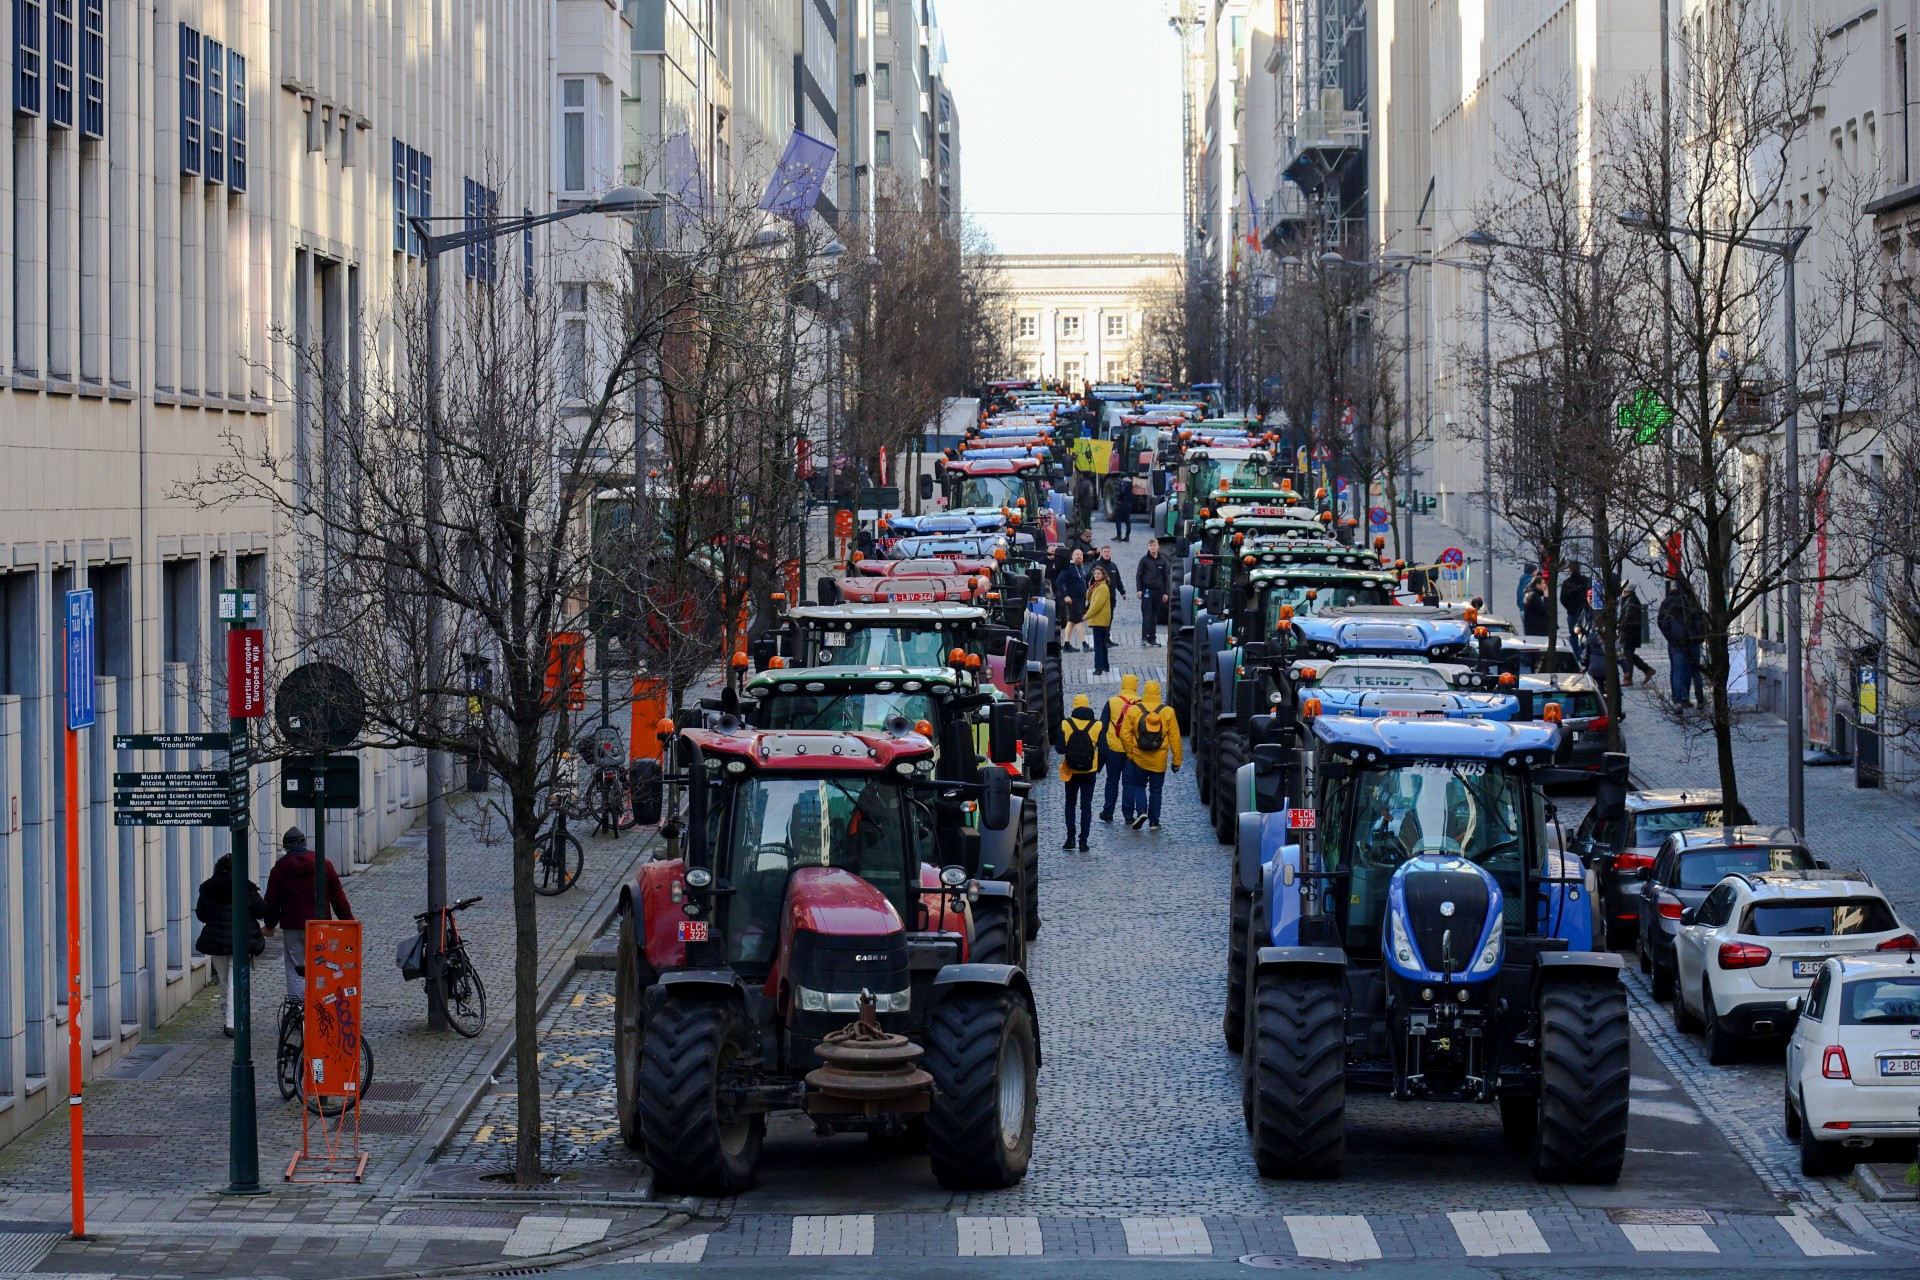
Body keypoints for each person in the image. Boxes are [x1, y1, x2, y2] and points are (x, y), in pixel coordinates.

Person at [263, 827, 354, 1002]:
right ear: (305, 842)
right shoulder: (323, 864)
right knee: (322, 966)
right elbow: (338, 897)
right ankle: (320, 1007)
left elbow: (272, 901)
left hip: (292, 926)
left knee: (295, 969)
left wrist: (270, 924)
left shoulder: (280, 868)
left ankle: (298, 1011)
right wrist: (348, 922)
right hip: (320, 926)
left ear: (286, 847)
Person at [194, 853, 266, 1038]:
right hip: (241, 941)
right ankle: (232, 1022)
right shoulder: (245, 887)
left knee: (225, 982)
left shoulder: (208, 888)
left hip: (217, 942)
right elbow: (261, 910)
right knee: (235, 982)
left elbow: (201, 914)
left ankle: (229, 1019)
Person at [1120, 678, 1182, 830]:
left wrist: (1130, 753)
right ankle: (1154, 821)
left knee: (1139, 785)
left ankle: (1141, 811)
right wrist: (1176, 760)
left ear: (1144, 692)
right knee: (1156, 790)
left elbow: (1124, 734)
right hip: (1159, 760)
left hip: (1139, 757)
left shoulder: (1134, 710)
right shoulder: (1168, 712)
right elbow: (1175, 737)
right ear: (1158, 693)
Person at [1056, 694, 1101, 851]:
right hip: (1090, 771)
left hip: (1071, 771)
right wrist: (1098, 767)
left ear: (1074, 707)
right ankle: (1084, 841)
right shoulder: (1097, 725)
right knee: (1086, 805)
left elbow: (1059, 748)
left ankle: (1070, 839)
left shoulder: (1066, 724)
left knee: (1070, 803)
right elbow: (1105, 750)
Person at [1099, 674, 1145, 823]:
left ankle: (1108, 811)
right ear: (1135, 686)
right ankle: (1128, 815)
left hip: (1114, 748)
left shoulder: (1112, 702)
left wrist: (1102, 748)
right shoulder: (1141, 704)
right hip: (1132, 749)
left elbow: (1103, 726)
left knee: (1112, 780)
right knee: (1129, 782)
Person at [1657, 580, 1707, 708]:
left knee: (1678, 671)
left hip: (1676, 642)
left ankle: (1679, 700)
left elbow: (1662, 623)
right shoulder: (1692, 602)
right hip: (1693, 641)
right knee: (1695, 670)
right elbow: (1700, 621)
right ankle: (1699, 698)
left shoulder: (1667, 602)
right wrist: (1699, 637)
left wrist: (1670, 637)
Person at [1618, 583, 1655, 686]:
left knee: (1627, 655)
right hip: (1630, 632)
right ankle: (1647, 669)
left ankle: (1628, 677)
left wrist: (1620, 626)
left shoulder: (1631, 601)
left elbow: (1627, 618)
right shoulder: (1629, 600)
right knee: (1629, 654)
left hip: (1630, 633)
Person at [1136, 538, 1171, 647]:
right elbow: (1139, 576)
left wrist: (1165, 593)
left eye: (1154, 545)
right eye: (1150, 545)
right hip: (1147, 590)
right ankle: (1144, 638)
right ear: (1148, 547)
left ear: (1158, 546)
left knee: (1155, 615)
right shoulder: (1144, 560)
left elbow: (1166, 578)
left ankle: (1152, 638)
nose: (1153, 547)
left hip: (1158, 591)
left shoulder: (1163, 561)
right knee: (1147, 615)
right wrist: (1139, 590)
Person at [1054, 550, 1088, 652]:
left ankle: (1067, 644)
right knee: (1079, 621)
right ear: (1072, 556)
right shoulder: (1068, 568)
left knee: (1071, 621)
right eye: (1077, 555)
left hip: (1080, 599)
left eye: (1081, 555)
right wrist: (1065, 596)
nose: (1079, 556)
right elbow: (1058, 582)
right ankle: (1084, 644)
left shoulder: (1081, 568)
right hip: (1073, 600)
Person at [1560, 563, 1593, 660]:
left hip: (1572, 612)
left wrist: (1569, 607)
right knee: (1585, 634)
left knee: (1574, 636)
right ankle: (1585, 654)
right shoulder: (1586, 581)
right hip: (1584, 610)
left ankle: (1577, 657)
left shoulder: (1567, 583)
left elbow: (1563, 599)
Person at [1086, 566, 1115, 675]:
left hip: (1100, 619)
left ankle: (1098, 668)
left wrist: (1087, 615)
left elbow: (1097, 604)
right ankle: (1105, 666)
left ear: (1103, 575)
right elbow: (1089, 599)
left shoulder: (1102, 587)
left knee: (1098, 644)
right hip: (1100, 619)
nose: (1096, 575)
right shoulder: (1096, 586)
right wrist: (1089, 589)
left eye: (1099, 573)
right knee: (1102, 644)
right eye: (1095, 573)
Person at [1521, 572, 1550, 637]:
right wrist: (1546, 597)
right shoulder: (1533, 595)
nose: (1545, 585)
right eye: (1543, 583)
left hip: (1533, 629)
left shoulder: (1531, 594)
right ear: (1538, 585)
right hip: (1536, 630)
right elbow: (1543, 610)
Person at [1113, 473, 1134, 541]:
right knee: (1127, 520)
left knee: (1118, 519)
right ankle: (1127, 536)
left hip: (1123, 503)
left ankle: (1119, 535)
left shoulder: (1123, 483)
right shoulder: (1131, 483)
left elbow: (1122, 492)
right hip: (1130, 504)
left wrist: (1119, 500)